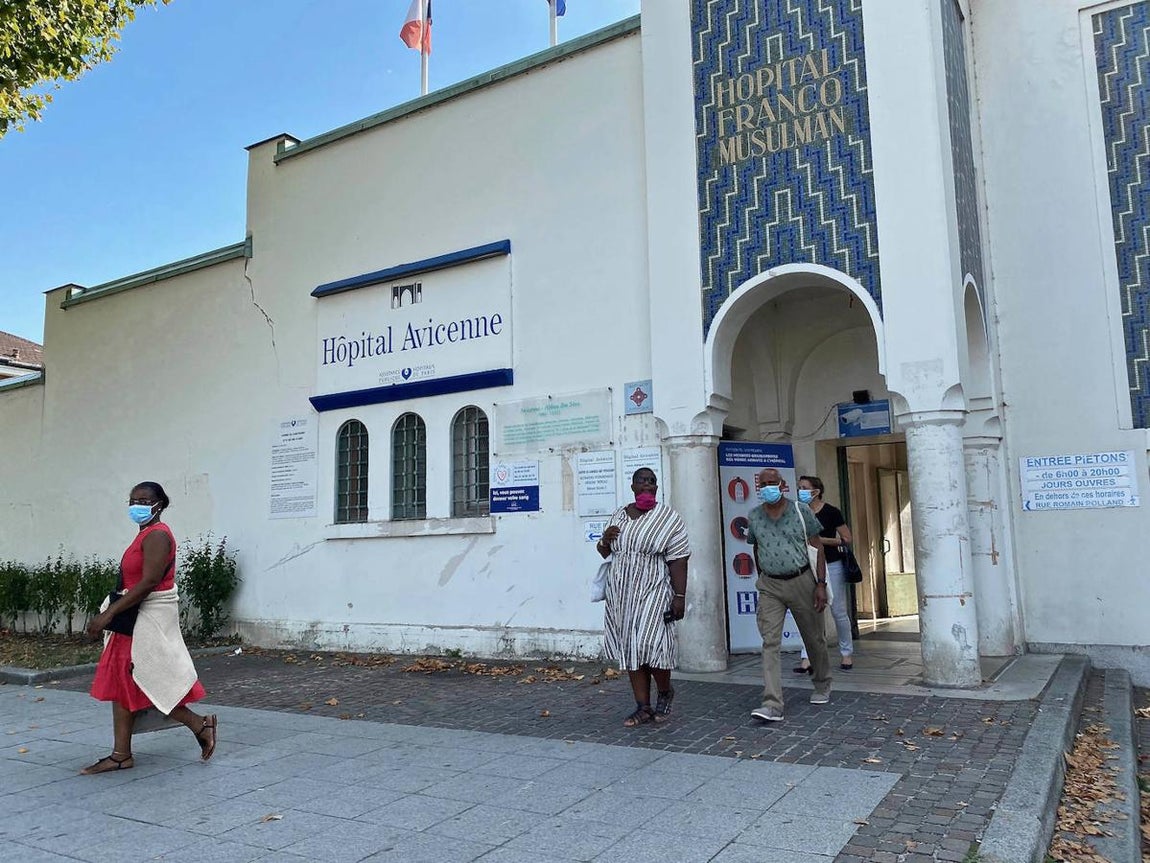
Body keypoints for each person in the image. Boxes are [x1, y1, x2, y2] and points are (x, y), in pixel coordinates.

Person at [81, 481, 217, 774]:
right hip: (131, 617)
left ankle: (199, 724)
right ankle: (121, 754)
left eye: (143, 500)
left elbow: (148, 582)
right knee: (123, 682)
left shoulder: (157, 535)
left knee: (146, 679)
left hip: (144, 616)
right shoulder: (144, 534)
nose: (136, 506)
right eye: (132, 501)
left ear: (160, 504)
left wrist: (108, 615)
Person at [597, 467, 690, 727]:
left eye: (652, 482)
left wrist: (680, 596)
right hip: (622, 593)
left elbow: (680, 558)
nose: (648, 485)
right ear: (633, 486)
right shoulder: (619, 515)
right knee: (631, 648)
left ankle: (664, 691)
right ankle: (643, 707)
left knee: (650, 643)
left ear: (657, 488)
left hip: (655, 588)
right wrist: (605, 539)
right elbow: (604, 551)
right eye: (642, 481)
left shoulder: (668, 518)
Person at [745, 467, 831, 722]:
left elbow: (817, 547)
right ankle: (772, 703)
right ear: (759, 488)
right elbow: (756, 547)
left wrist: (820, 584)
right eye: (764, 484)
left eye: (774, 482)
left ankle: (822, 682)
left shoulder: (801, 511)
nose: (769, 487)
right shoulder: (754, 516)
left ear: (782, 485)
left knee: (814, 637)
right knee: (770, 642)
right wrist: (761, 576)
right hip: (770, 586)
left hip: (802, 580)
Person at [793, 475, 855, 673]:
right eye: (799, 487)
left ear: (816, 491)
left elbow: (846, 538)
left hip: (832, 564)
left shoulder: (831, 512)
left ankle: (846, 653)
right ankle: (806, 656)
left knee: (838, 610)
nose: (800, 490)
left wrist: (820, 540)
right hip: (807, 565)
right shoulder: (797, 511)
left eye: (804, 487)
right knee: (809, 612)